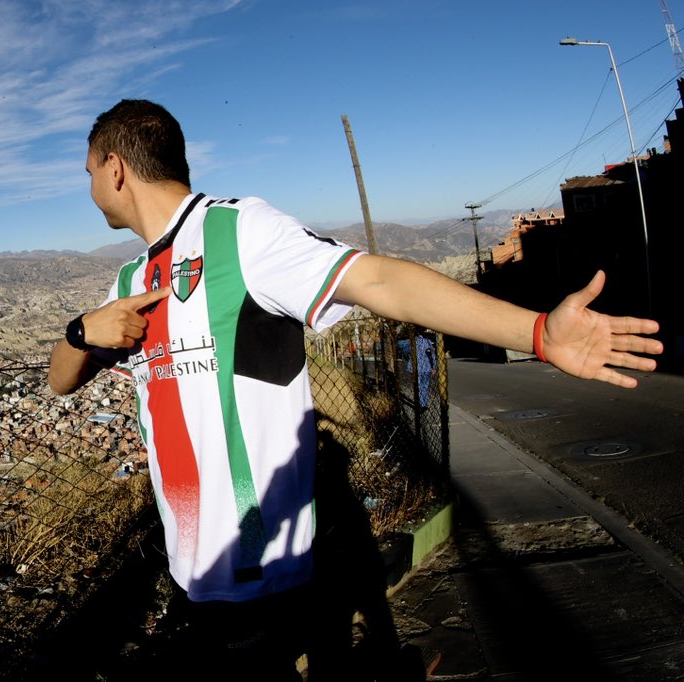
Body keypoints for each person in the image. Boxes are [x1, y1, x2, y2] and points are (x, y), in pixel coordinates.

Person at [47, 99, 662, 679]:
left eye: (88, 172)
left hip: (265, 579)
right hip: (194, 577)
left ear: (116, 167)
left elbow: (382, 283)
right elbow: (60, 381)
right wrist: (81, 333)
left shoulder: (238, 233)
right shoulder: (129, 280)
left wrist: (534, 331)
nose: (90, 188)